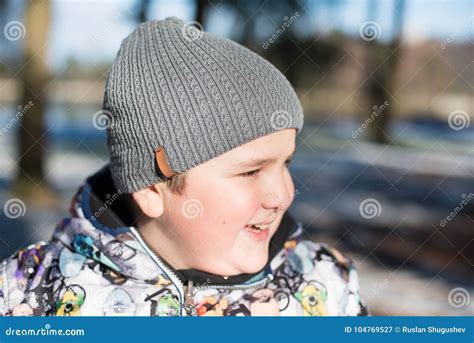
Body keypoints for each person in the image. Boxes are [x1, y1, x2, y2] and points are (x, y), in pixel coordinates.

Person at [0, 17, 367, 316]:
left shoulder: (322, 286)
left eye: (285, 162)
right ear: (150, 189)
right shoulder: (32, 295)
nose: (284, 194)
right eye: (251, 171)